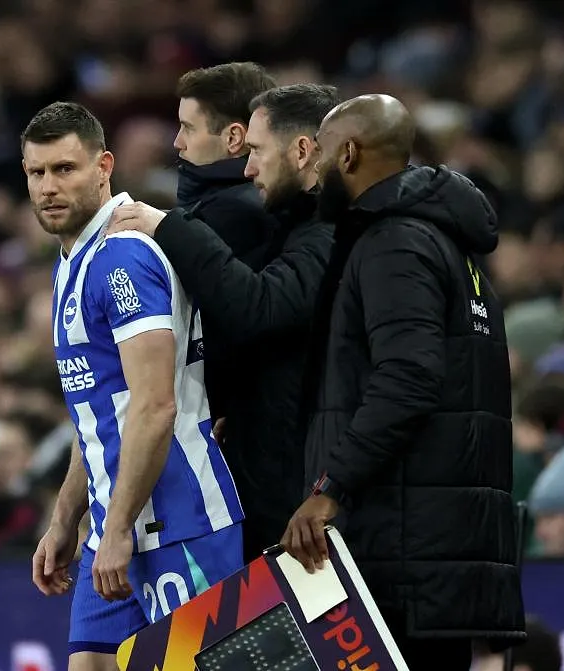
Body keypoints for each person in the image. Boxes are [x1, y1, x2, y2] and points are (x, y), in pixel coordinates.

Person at [281, 94, 523, 670]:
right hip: (432, 543)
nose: (313, 172)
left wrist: (330, 485)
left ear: (350, 154)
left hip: (407, 549)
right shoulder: (446, 243)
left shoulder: (395, 243)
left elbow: (409, 378)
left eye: (321, 156)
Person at [20, 102, 244, 670]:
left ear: (104, 166)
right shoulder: (72, 261)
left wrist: (116, 526)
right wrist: (67, 518)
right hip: (112, 527)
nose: (48, 186)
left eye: (65, 169)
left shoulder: (123, 256)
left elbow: (153, 405)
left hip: (179, 519)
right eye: (36, 173)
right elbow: (98, 412)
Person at [107, 83, 339, 558]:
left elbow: (258, 309)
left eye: (257, 151)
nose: (249, 168)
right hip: (281, 468)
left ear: (301, 151)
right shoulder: (299, 227)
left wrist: (168, 225)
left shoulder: (328, 233)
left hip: (301, 489)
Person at [171, 62, 279, 268]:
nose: (177, 142)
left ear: (233, 138)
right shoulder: (222, 199)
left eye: (188, 128)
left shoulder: (233, 213)